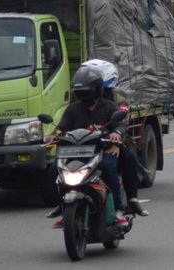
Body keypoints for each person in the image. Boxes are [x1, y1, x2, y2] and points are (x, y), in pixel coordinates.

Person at [44, 65, 128, 228]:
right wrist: (54, 135)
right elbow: (62, 127)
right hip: (75, 153)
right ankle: (62, 207)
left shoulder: (109, 106)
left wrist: (116, 133)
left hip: (102, 151)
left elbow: (120, 124)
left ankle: (118, 210)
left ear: (96, 90)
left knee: (109, 168)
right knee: (54, 170)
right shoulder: (73, 109)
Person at [81, 59, 149, 217]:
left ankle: (132, 200)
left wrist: (116, 142)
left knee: (128, 158)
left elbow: (122, 121)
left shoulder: (118, 96)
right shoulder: (79, 95)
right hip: (86, 140)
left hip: (115, 138)